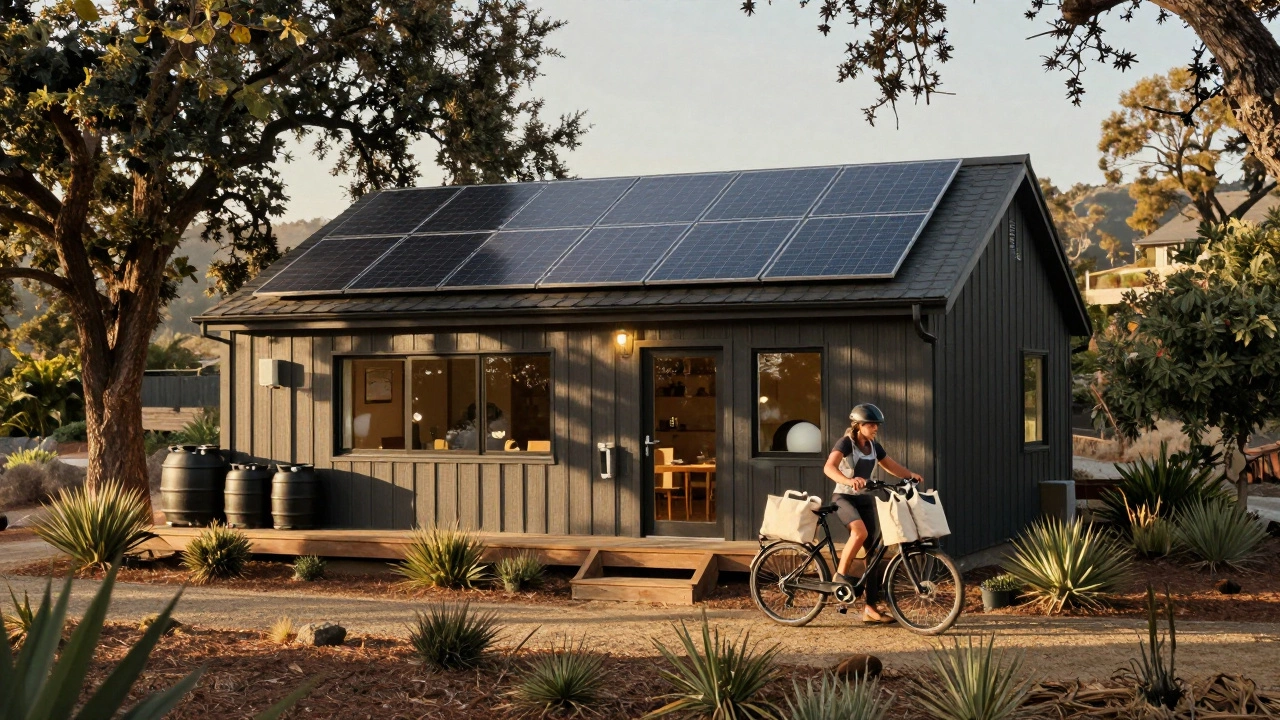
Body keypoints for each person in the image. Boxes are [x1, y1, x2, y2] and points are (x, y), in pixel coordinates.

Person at [822, 403, 923, 624]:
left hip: (865, 499)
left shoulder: (873, 445)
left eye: (877, 424)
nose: (876, 427)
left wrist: (910, 475)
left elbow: (889, 465)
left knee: (874, 553)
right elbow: (829, 467)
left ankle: (870, 608)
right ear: (859, 425)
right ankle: (839, 577)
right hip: (844, 498)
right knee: (859, 533)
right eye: (872, 424)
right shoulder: (846, 443)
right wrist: (849, 480)